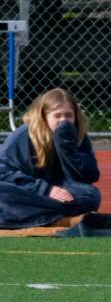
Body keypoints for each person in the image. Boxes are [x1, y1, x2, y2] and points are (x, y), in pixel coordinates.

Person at [0, 89, 100, 229]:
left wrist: (66, 147)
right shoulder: (23, 135)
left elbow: (89, 176)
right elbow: (3, 173)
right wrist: (45, 190)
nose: (63, 120)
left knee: (91, 195)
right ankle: (58, 219)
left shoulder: (78, 136)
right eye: (57, 116)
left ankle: (23, 218)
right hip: (27, 190)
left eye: (68, 115)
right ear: (44, 116)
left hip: (58, 193)